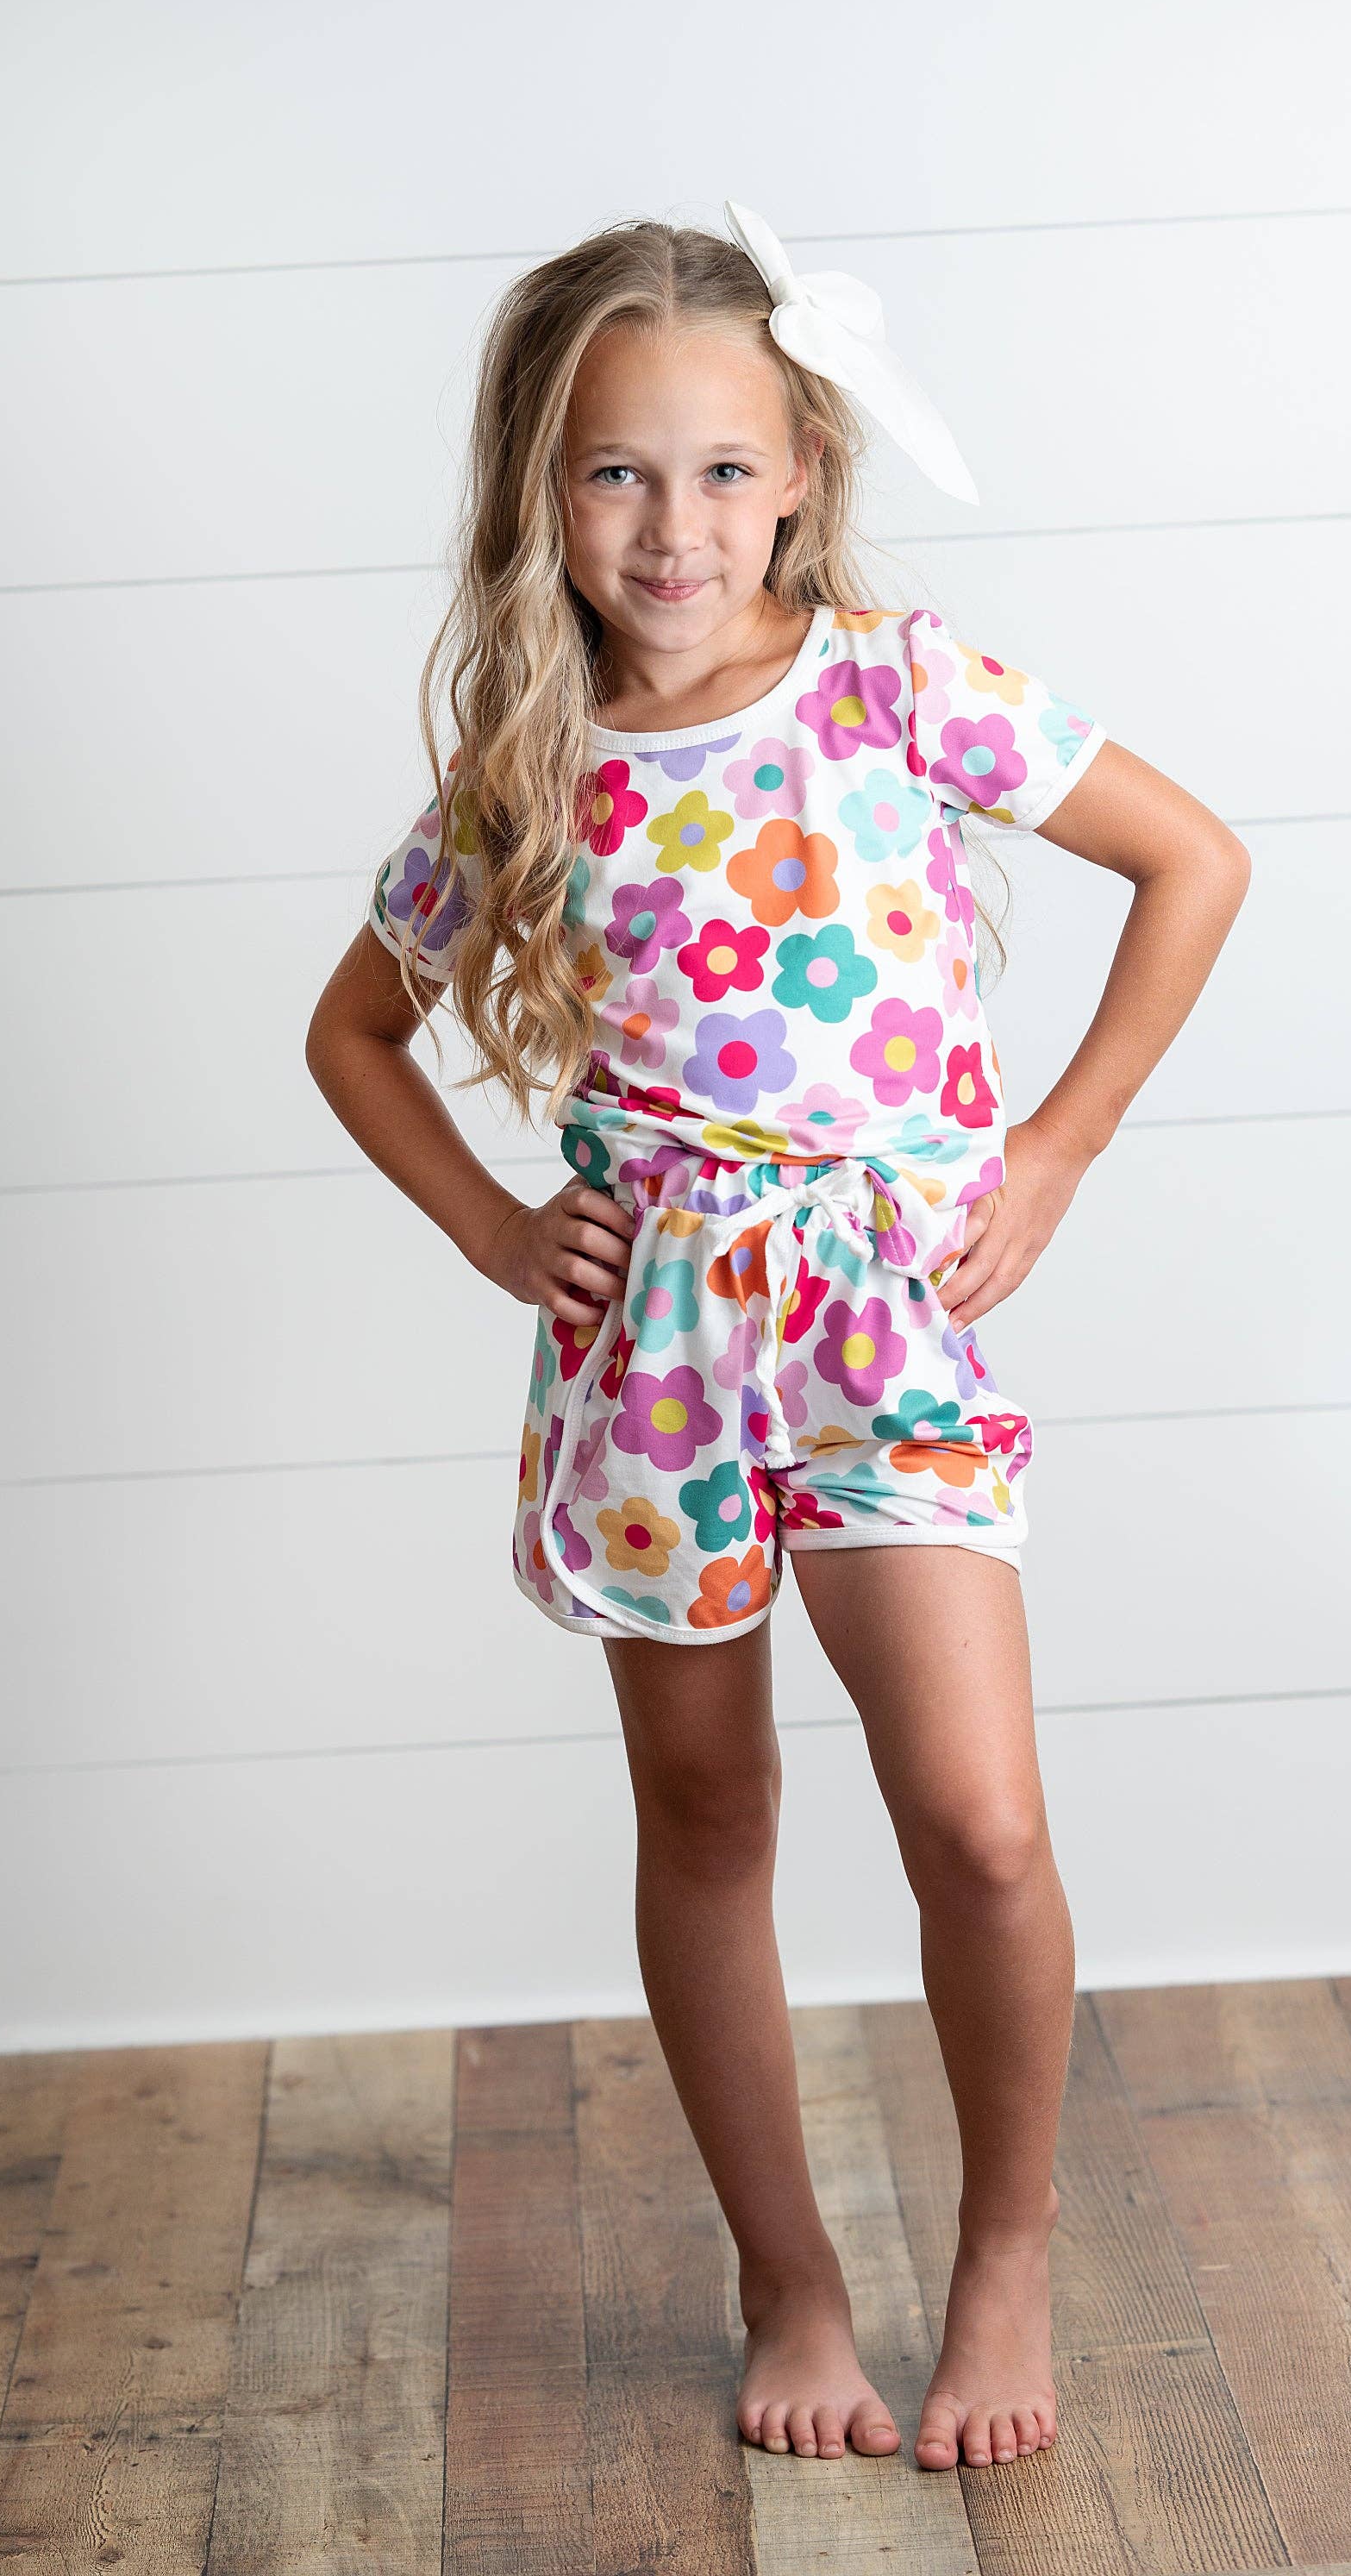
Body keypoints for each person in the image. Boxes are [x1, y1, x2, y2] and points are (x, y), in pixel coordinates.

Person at [305, 199, 1250, 2475]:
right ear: (541, 492)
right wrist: (494, 1228)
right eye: (617, 473)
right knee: (709, 1808)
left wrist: (1054, 1150)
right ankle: (789, 2276)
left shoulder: (895, 684)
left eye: (723, 469)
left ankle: (1005, 2246)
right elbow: (351, 1032)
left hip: (881, 1325)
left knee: (979, 1823)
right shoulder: (532, 764)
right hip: (652, 1360)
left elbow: (1195, 860)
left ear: (804, 471)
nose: (675, 525)